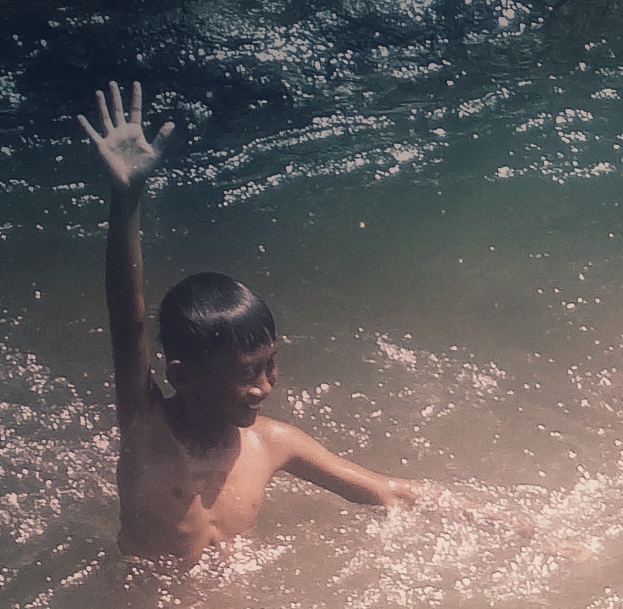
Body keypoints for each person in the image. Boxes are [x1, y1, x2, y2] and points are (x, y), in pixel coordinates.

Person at [76, 80, 444, 562]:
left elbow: (387, 491)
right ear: (182, 376)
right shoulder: (145, 424)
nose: (265, 386)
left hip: (229, 602)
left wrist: (519, 527)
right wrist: (126, 201)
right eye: (245, 373)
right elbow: (127, 321)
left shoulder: (272, 444)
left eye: (269, 365)